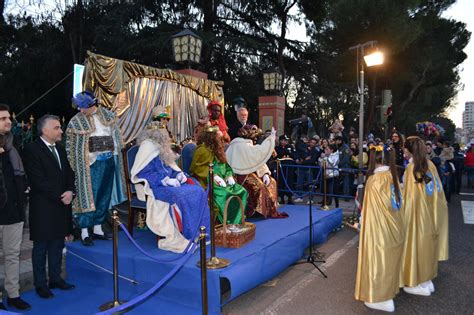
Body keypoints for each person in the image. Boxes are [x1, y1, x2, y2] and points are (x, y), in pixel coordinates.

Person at [131, 120, 210, 253]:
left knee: (197, 190)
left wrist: (178, 174)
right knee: (180, 196)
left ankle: (201, 232)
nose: (164, 134)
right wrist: (165, 180)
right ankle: (185, 235)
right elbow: (143, 173)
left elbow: (169, 166)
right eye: (161, 131)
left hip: (170, 182)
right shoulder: (147, 147)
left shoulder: (162, 146)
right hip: (156, 186)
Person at [23, 115, 76, 299]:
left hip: (61, 205)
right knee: (41, 248)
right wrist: (60, 196)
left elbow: (69, 173)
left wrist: (70, 191)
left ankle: (55, 279)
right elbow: (37, 180)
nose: (61, 131)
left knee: (57, 244)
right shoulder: (31, 149)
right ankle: (40, 284)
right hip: (43, 207)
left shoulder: (60, 149)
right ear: (45, 130)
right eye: (57, 128)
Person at [66, 91, 127, 246]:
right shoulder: (75, 122)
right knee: (87, 197)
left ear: (91, 104)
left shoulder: (108, 116)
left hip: (107, 161)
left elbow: (116, 137)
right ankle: (85, 231)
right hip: (89, 165)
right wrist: (87, 158)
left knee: (103, 195)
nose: (80, 110)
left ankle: (98, 228)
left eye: (82, 107)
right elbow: (71, 147)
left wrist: (112, 153)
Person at [355, 145, 404, 312]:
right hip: (395, 228)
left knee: (378, 261)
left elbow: (370, 211)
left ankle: (379, 296)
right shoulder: (393, 176)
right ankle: (388, 293)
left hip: (380, 230)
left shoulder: (374, 180)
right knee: (389, 261)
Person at [401, 136, 448, 296]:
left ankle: (416, 282)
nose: (402, 150)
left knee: (415, 247)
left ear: (408, 150)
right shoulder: (429, 165)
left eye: (404, 148)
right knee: (427, 247)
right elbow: (433, 189)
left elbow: (409, 197)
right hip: (431, 214)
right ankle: (426, 281)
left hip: (416, 216)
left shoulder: (412, 168)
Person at [0, 104, 31, 310]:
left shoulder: (13, 143)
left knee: (12, 254)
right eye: (3, 119)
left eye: (9, 118)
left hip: (14, 209)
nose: (9, 121)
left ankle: (13, 294)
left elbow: (19, 174)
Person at [226, 125, 288, 218]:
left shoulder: (249, 144)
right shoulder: (238, 144)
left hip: (252, 172)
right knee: (260, 186)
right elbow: (258, 152)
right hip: (240, 175)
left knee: (272, 182)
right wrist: (270, 139)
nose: (255, 139)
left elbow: (257, 160)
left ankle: (269, 208)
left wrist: (265, 173)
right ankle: (257, 211)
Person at [190, 125, 248, 224]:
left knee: (241, 191)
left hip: (223, 180)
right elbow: (197, 168)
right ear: (211, 137)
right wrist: (214, 176)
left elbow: (226, 166)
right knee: (224, 194)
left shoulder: (218, 150)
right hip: (207, 182)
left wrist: (229, 175)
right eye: (218, 137)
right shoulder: (202, 150)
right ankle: (227, 222)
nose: (220, 140)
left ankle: (237, 222)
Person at [274, 134, 297, 204]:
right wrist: (285, 151)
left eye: (286, 140)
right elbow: (278, 155)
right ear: (280, 141)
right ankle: (281, 198)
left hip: (289, 166)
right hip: (281, 167)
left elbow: (293, 155)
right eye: (283, 140)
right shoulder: (277, 148)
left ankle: (290, 198)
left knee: (289, 181)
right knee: (281, 182)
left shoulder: (290, 147)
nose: (285, 142)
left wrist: (287, 151)